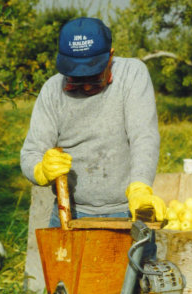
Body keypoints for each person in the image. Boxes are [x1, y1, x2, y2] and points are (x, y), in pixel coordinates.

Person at [20, 17, 165, 227]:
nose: (86, 88)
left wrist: (140, 189)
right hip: (69, 213)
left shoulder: (132, 75)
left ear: (110, 57)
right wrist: (40, 170)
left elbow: (144, 137)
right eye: (76, 80)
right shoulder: (52, 91)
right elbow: (30, 154)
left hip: (126, 212)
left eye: (94, 78)